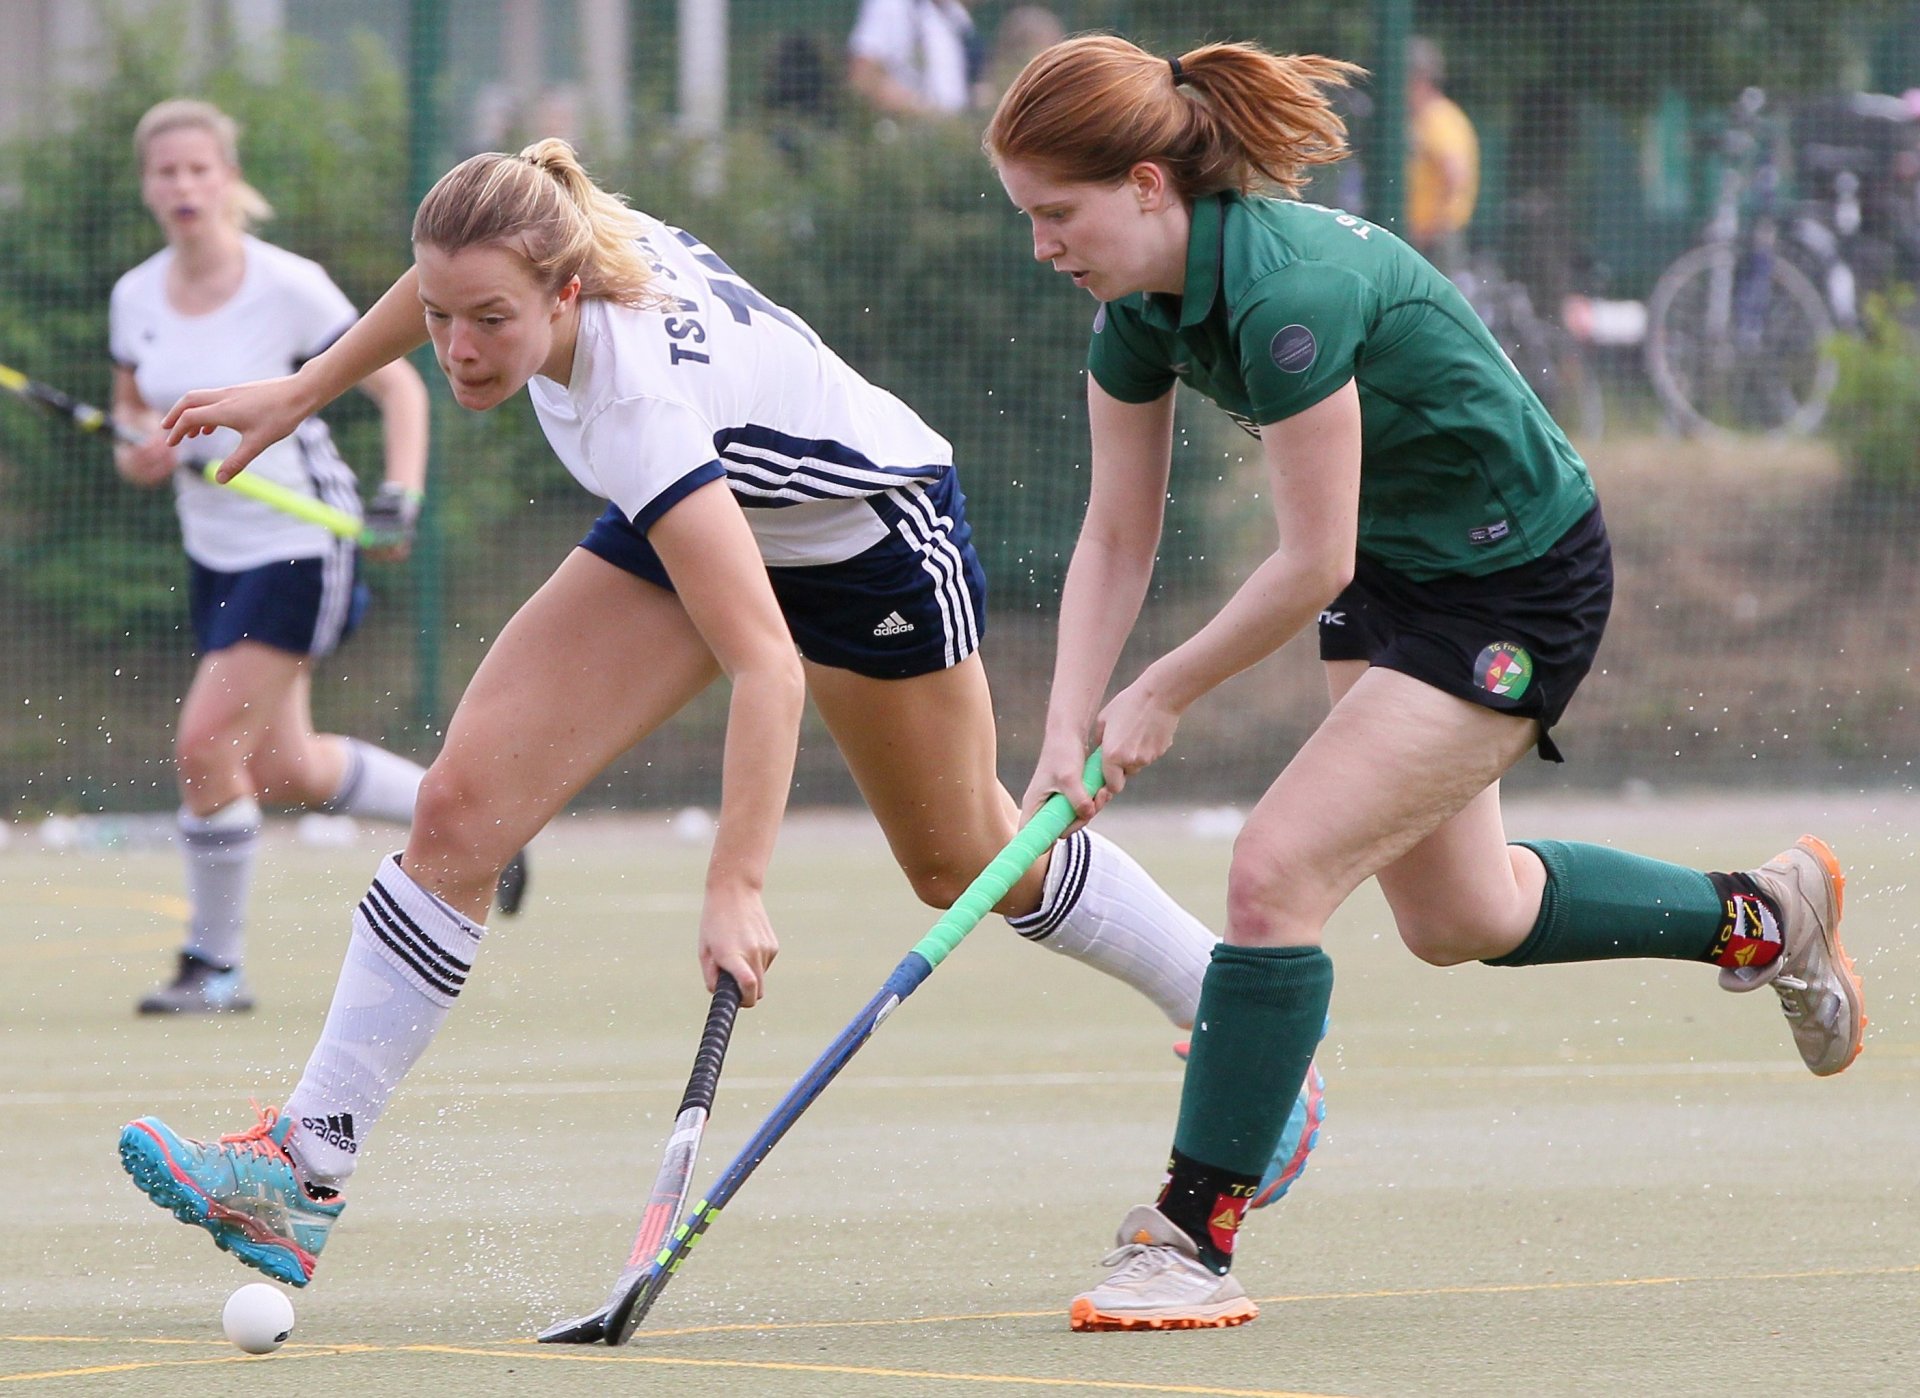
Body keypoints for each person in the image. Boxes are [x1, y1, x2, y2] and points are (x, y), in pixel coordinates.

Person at [114, 138, 1322, 1288]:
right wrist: (306, 386)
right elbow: (445, 281)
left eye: (493, 322)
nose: (460, 349)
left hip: (867, 543)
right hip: (707, 504)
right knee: (462, 807)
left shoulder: (638, 406)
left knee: (963, 854)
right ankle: (301, 1172)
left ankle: (1239, 1029)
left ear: (568, 292)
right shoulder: (541, 247)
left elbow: (769, 671)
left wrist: (736, 881)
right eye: (444, 318)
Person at [986, 36, 1864, 1331]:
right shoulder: (1137, 316)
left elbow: (1308, 557)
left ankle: (1190, 1232)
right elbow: (1117, 533)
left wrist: (1162, 689)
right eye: (1029, 220)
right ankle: (1764, 916)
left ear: (1150, 186)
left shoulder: (1288, 295)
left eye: (1059, 215)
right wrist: (1065, 724)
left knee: (1274, 873)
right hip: (1400, 570)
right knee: (1464, 913)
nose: (1045, 246)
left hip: (1517, 581)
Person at [109, 99, 528, 1018]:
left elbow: (398, 388)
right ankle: (481, 818)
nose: (181, 186)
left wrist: (401, 494)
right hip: (213, 550)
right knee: (283, 768)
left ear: (227, 178)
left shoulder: (286, 285)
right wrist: (138, 448)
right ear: (147, 185)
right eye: (164, 172)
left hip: (302, 541)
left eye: (197, 169)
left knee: (205, 746)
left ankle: (213, 968)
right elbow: (135, 424)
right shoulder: (134, 298)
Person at [1404, 36, 1479, 271]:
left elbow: (1456, 176)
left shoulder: (1438, 118)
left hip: (1436, 240)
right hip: (1424, 237)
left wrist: (1434, 228)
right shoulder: (1422, 118)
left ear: (1418, 79)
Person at [847, 0, 985, 117]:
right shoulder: (891, 5)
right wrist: (924, 111)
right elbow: (863, 77)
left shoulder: (955, 17)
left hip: (949, 140)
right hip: (902, 138)